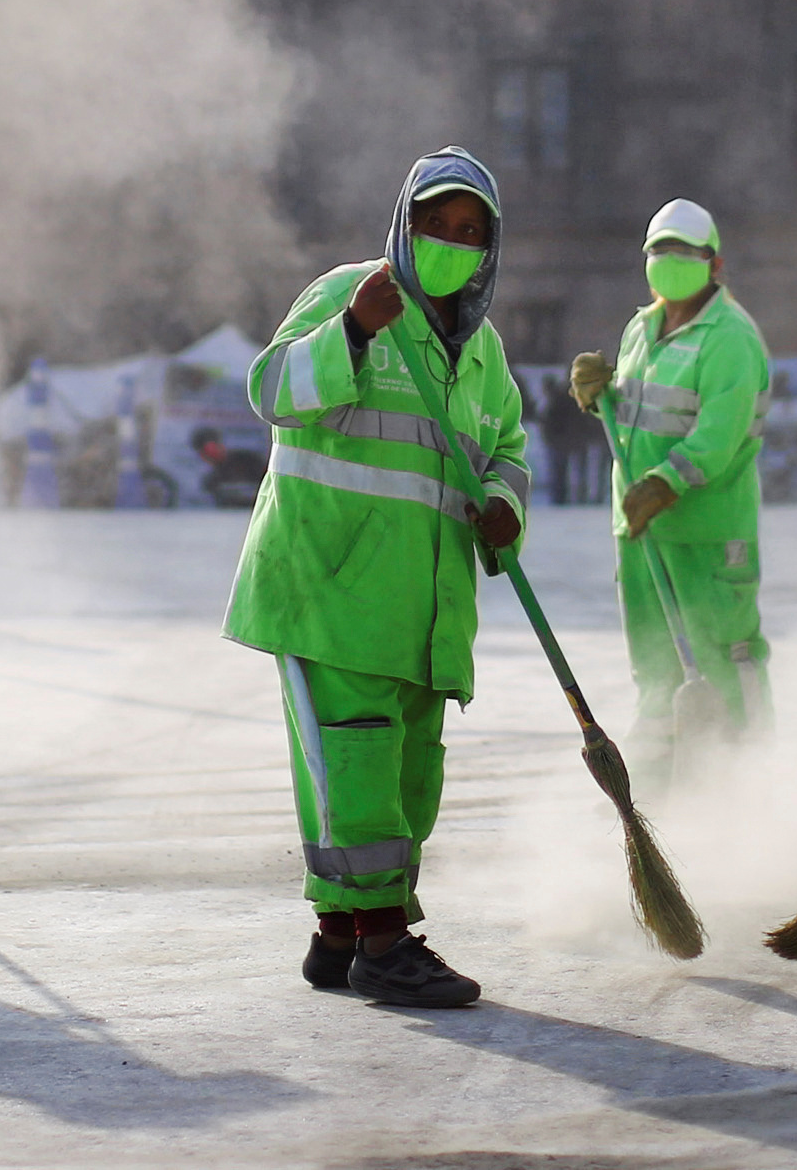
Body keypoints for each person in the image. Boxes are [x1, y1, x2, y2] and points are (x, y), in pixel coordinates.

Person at [224, 148, 531, 1010]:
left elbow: (506, 446)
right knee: (356, 766)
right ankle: (387, 942)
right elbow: (272, 388)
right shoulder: (348, 294)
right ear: (405, 220)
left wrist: (505, 502)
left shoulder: (481, 351)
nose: (451, 241)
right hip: (332, 589)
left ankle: (342, 929)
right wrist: (353, 330)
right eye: (437, 222)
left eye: (471, 231)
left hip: (424, 608)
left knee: (406, 776)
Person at [567, 197, 772, 779]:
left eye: (685, 251)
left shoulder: (730, 337)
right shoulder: (643, 327)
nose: (671, 260)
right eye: (660, 250)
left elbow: (720, 433)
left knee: (723, 659)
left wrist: (666, 482)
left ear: (715, 263)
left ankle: (746, 777)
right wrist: (598, 393)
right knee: (657, 668)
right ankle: (658, 787)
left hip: (707, 534)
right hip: (639, 529)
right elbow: (634, 418)